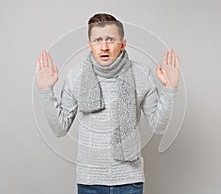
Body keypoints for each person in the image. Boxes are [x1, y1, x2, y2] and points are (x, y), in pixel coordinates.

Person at [36, 13, 180, 194]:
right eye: (97, 40)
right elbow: (59, 128)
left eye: (110, 39)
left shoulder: (142, 74)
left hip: (129, 180)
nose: (104, 47)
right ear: (90, 45)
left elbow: (158, 126)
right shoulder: (76, 76)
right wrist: (45, 90)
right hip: (89, 181)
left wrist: (170, 89)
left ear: (123, 44)